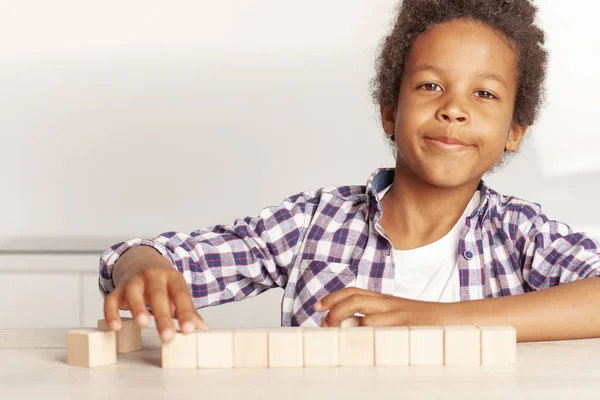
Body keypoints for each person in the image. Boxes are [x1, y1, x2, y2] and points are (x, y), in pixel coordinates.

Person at [99, 0, 600, 344]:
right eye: (429, 86)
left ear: (514, 131)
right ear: (389, 112)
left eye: (484, 94)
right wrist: (144, 268)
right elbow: (147, 257)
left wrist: (440, 321)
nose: (454, 109)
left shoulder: (520, 234)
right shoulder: (312, 223)